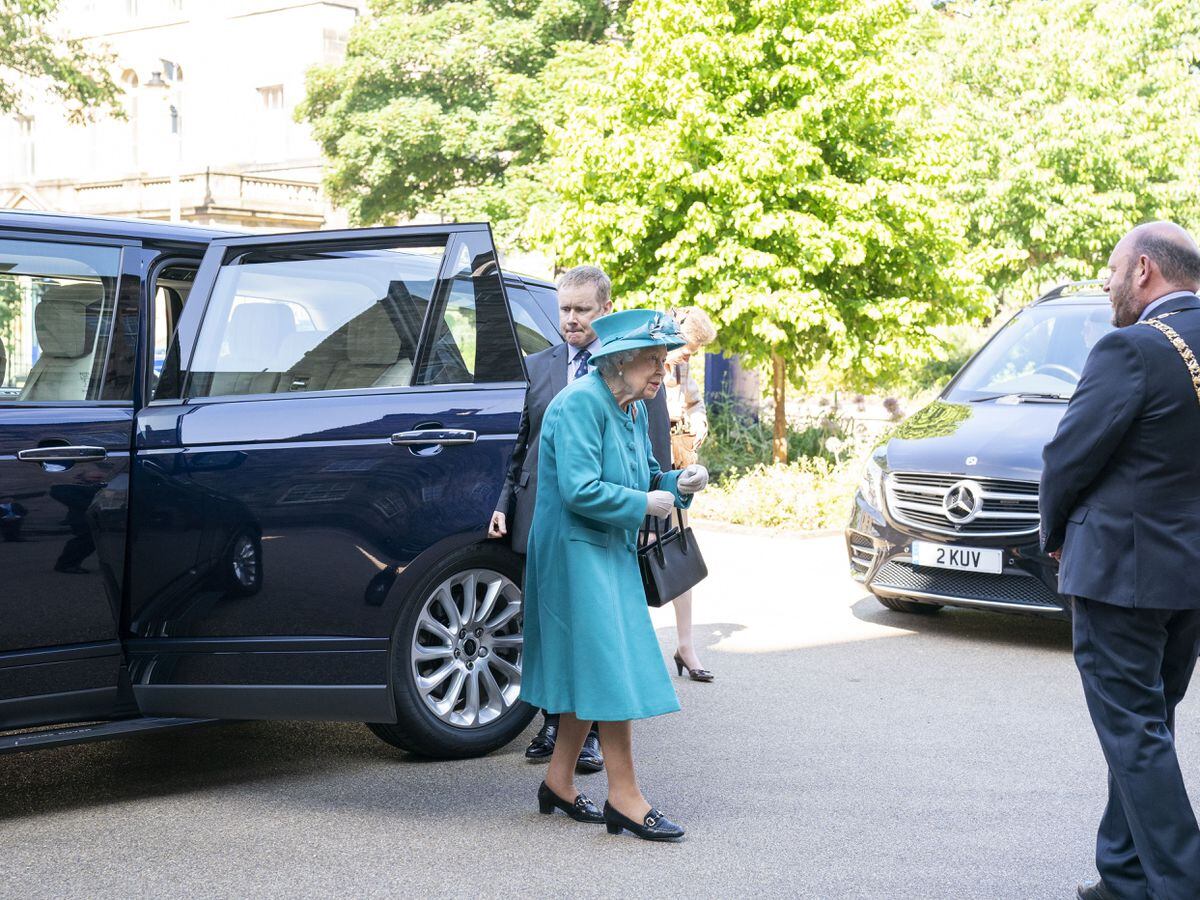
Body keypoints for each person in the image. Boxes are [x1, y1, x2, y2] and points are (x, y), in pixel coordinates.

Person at [1040, 221, 1200, 900]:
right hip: (1190, 576)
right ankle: (1124, 874)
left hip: (1120, 572)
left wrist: (1052, 534)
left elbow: (1068, 456)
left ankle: (1182, 881)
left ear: (1144, 272)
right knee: (1145, 725)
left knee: (1135, 732)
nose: (1107, 283)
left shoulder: (1131, 348)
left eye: (1112, 270)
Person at [520, 308, 709, 841]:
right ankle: (625, 797)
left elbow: (643, 474)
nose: (660, 373)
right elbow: (580, 490)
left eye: (662, 362)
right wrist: (646, 502)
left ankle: (558, 781)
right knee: (610, 670)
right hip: (574, 552)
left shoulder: (625, 406)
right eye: (652, 362)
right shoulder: (581, 403)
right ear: (620, 362)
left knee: (593, 666)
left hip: (603, 548)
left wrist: (677, 482)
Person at [489, 265, 673, 769]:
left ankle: (568, 774)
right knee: (570, 642)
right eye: (564, 309)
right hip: (557, 524)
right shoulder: (552, 375)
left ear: (604, 312)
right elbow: (524, 445)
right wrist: (505, 503)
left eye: (581, 309)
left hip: (605, 533)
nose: (570, 319)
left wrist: (668, 493)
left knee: (595, 652)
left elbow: (649, 459)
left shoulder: (636, 392)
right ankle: (582, 767)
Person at [662, 306, 718, 681]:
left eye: (694, 352)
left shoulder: (680, 365)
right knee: (635, 554)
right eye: (686, 348)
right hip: (642, 464)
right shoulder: (638, 356)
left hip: (675, 461)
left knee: (680, 549)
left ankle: (686, 645)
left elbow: (693, 401)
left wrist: (698, 419)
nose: (688, 356)